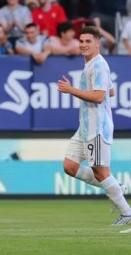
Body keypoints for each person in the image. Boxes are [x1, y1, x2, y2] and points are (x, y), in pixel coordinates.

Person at [58, 26, 131, 226]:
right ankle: (115, 187)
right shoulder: (91, 64)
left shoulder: (98, 65)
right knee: (70, 166)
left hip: (97, 128)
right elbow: (111, 92)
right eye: (81, 41)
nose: (83, 45)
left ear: (97, 43)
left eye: (88, 41)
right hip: (84, 127)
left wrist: (71, 89)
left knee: (101, 172)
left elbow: (99, 97)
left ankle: (127, 213)